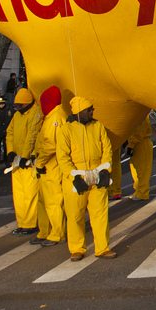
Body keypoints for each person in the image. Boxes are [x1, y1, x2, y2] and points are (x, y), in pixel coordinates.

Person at [57, 96, 116, 260]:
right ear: (79, 112)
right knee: (75, 216)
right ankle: (77, 249)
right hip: (77, 178)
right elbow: (62, 157)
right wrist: (74, 176)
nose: (92, 112)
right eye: (89, 110)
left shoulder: (98, 126)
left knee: (100, 214)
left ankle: (103, 248)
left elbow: (107, 150)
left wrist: (105, 170)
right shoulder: (66, 130)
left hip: (97, 175)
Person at [32, 85, 67, 247]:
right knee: (44, 201)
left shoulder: (55, 118)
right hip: (45, 165)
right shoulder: (52, 116)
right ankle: (45, 230)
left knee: (53, 201)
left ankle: (57, 233)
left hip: (51, 166)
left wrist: (39, 161)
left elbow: (51, 144)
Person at [6, 87, 42, 235]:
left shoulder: (35, 114)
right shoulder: (17, 115)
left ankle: (32, 223)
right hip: (17, 162)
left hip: (28, 163)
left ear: (26, 103)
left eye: (19, 105)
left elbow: (32, 136)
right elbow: (10, 133)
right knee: (19, 194)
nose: (17, 108)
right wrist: (10, 152)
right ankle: (22, 223)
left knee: (30, 194)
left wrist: (26, 156)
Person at [126, 113, 154, 201]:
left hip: (142, 143)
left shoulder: (141, 116)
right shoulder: (138, 115)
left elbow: (139, 132)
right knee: (136, 169)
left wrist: (131, 144)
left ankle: (143, 193)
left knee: (143, 170)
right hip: (138, 143)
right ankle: (138, 190)